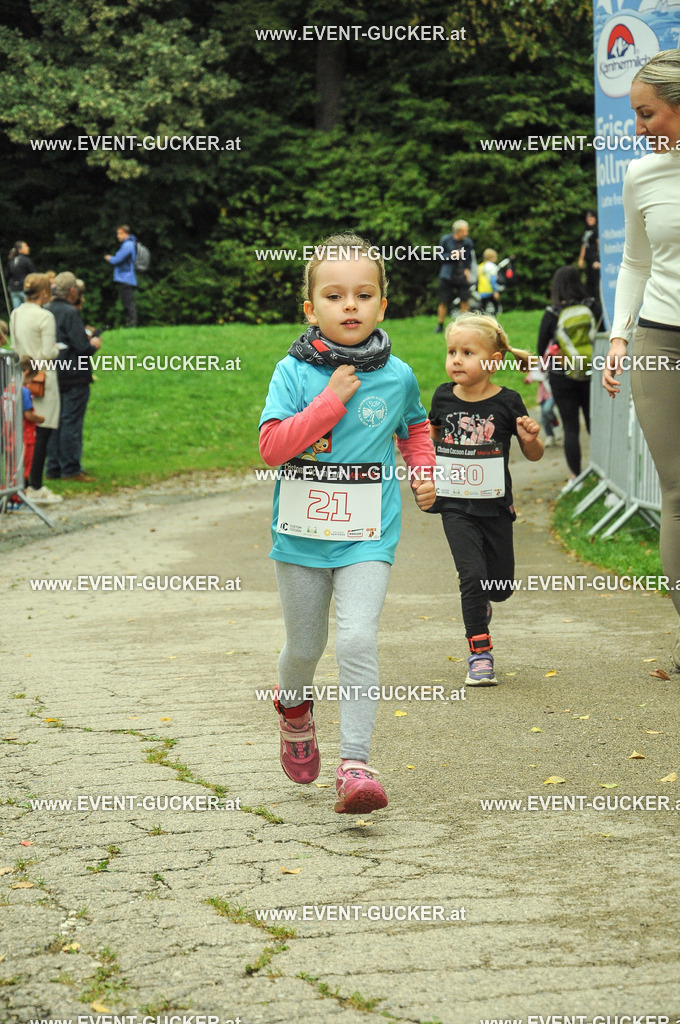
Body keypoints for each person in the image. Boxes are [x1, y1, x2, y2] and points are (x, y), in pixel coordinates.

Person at [259, 233, 437, 814]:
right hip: (302, 537)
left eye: (364, 294)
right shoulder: (292, 372)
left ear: (383, 304)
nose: (351, 306)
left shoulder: (399, 374)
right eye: (335, 296)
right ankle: (294, 709)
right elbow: (272, 447)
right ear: (312, 310)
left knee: (358, 638)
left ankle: (355, 763)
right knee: (305, 646)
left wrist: (422, 471)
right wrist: (329, 402)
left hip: (368, 535)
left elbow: (414, 426)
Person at [603, 49, 680, 672]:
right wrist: (621, 337)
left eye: (647, 113)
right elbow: (636, 263)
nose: (639, 127)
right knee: (678, 494)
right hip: (661, 341)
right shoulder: (643, 176)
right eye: (635, 114)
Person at [428, 313, 542, 685]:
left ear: (493, 360)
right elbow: (428, 442)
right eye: (451, 351)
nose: (456, 359)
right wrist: (424, 476)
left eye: (467, 352)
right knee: (471, 577)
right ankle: (480, 652)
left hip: (495, 507)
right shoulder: (443, 397)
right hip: (455, 506)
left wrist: (529, 440)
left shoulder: (509, 402)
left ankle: (486, 604)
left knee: (500, 587)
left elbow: (535, 454)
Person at [537, 266, 599, 487]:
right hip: (592, 372)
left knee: (570, 427)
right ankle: (602, 471)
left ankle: (577, 478)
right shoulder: (593, 306)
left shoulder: (552, 312)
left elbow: (540, 348)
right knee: (594, 422)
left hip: (562, 375)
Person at [9, 273, 62, 504]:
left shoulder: (16, 313)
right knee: (43, 430)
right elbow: (49, 351)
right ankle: (36, 486)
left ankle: (24, 481)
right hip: (43, 376)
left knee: (26, 431)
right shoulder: (45, 316)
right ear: (43, 293)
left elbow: (14, 346)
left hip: (22, 375)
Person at [45, 271, 102, 482]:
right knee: (71, 422)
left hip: (53, 371)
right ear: (72, 291)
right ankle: (71, 468)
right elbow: (81, 347)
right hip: (74, 373)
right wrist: (93, 344)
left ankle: (53, 468)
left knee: (53, 422)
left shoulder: (46, 309)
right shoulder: (70, 312)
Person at [435, 219, 475, 332]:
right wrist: (451, 256)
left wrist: (467, 270)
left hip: (462, 274)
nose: (466, 234)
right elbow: (438, 256)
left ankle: (465, 326)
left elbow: (469, 258)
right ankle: (440, 325)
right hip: (447, 275)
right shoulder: (446, 240)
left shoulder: (468, 242)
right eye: (464, 231)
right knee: (443, 301)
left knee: (464, 300)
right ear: (458, 231)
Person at [104, 224, 138, 327]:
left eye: (120, 233)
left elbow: (118, 259)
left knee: (128, 303)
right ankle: (130, 323)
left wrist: (109, 258)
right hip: (126, 278)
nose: (118, 236)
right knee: (126, 302)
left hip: (126, 279)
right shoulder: (128, 244)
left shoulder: (128, 245)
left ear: (125, 233)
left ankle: (132, 324)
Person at [20, 357, 45, 487]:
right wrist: (40, 419)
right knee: (24, 466)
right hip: (26, 435)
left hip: (11, 434)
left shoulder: (8, 387)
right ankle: (20, 494)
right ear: (27, 373)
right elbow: (28, 415)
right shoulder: (24, 391)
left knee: (12, 467)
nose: (30, 383)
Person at [6, 242, 36, 309]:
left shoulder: (11, 261)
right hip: (25, 288)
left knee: (17, 310)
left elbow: (7, 275)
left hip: (13, 289)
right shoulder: (26, 260)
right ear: (20, 250)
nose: (28, 248)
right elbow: (33, 274)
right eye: (26, 246)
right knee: (29, 309)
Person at [578, 210, 600, 300]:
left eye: (591, 218)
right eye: (588, 218)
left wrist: (598, 260)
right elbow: (584, 245)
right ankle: (591, 300)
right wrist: (581, 259)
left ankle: (598, 301)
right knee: (588, 282)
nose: (589, 220)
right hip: (588, 260)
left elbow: (599, 245)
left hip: (594, 259)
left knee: (595, 283)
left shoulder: (596, 230)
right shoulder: (587, 230)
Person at [477, 248, 500, 315]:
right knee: (496, 305)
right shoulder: (492, 266)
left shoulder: (480, 266)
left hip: (482, 289)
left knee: (483, 306)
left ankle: (481, 318)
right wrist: (495, 290)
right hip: (490, 289)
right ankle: (493, 318)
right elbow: (492, 279)